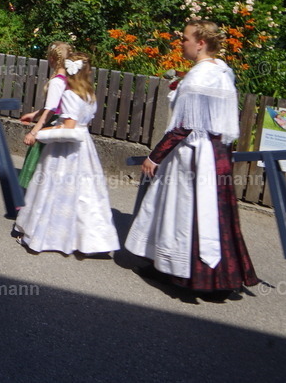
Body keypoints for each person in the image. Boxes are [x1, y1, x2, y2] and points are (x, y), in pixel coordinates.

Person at [125, 20, 259, 300]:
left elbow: (185, 125)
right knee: (203, 213)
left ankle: (189, 273)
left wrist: (154, 156)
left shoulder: (200, 77)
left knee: (186, 212)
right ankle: (173, 267)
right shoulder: (220, 71)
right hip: (214, 153)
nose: (181, 42)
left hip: (195, 156)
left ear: (200, 43)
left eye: (185, 38)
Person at [14, 53, 120, 255]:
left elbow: (69, 128)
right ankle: (81, 238)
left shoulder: (70, 95)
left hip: (66, 151)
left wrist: (40, 133)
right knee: (83, 192)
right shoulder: (89, 95)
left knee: (55, 189)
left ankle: (48, 235)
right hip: (84, 148)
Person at [18, 41, 72, 188]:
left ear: (52, 59)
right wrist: (34, 114)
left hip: (50, 124)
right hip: (60, 124)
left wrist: (34, 132)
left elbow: (50, 111)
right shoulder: (69, 80)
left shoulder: (56, 82)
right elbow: (54, 107)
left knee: (35, 162)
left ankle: (27, 195)